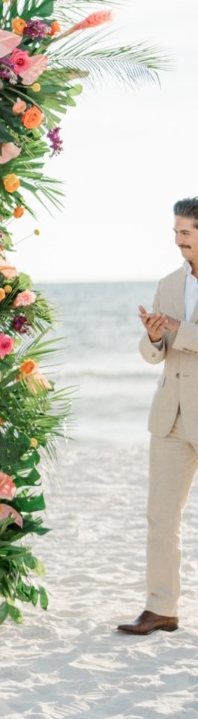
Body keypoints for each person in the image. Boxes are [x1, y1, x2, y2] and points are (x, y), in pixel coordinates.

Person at [118, 198, 198, 636]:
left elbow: (184, 336)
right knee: (161, 518)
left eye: (185, 232)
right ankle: (161, 608)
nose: (177, 240)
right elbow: (155, 354)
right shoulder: (167, 283)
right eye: (175, 232)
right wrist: (153, 337)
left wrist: (175, 329)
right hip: (170, 417)